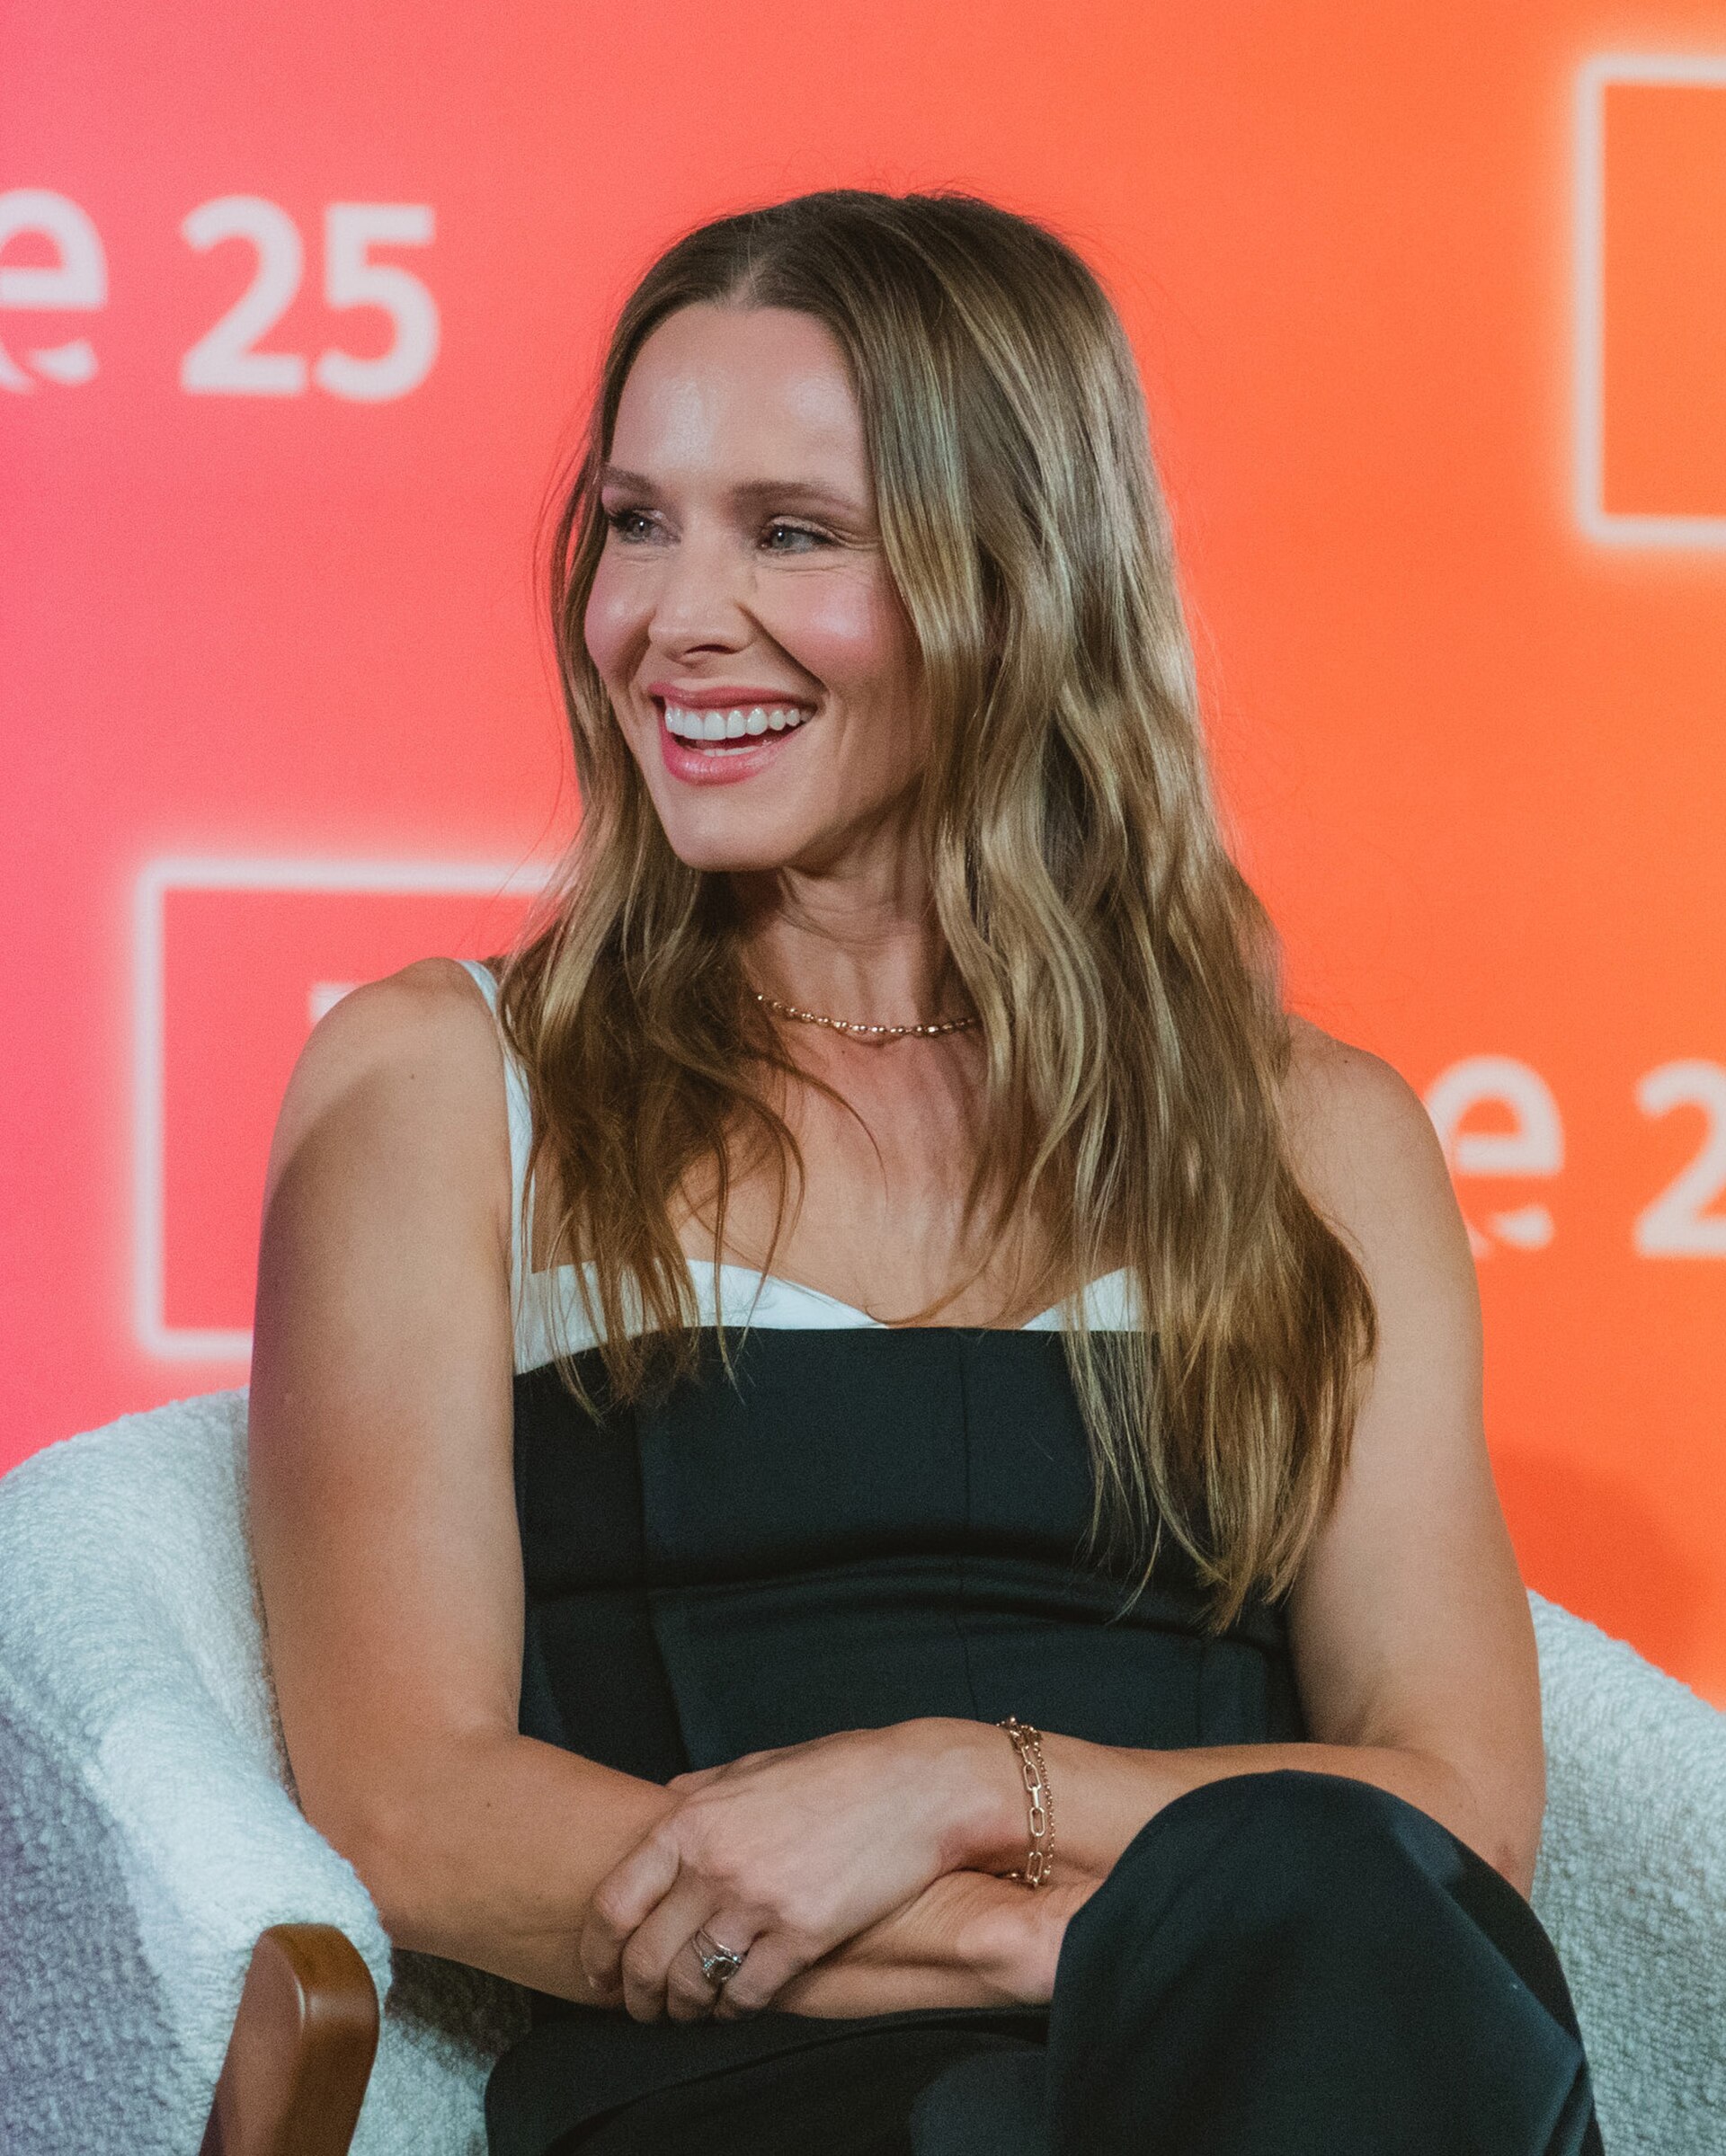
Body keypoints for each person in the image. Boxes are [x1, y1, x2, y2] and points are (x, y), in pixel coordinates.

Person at [246, 189, 1602, 2154]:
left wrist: (967, 1781)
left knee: (1346, 1952)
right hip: (759, 2079)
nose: (668, 618)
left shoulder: (1321, 1136)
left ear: (1021, 579)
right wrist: (1041, 1945)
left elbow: (1453, 1807)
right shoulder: (446, 1086)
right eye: (636, 521)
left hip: (1284, 2032)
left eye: (789, 534)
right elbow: (415, 1807)